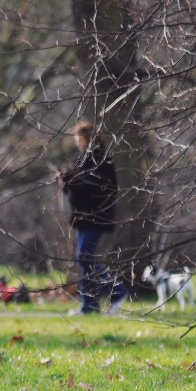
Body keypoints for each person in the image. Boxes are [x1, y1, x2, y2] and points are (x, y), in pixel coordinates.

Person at [59, 120, 123, 313]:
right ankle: (90, 305)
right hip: (82, 216)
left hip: (97, 216)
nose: (77, 143)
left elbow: (98, 187)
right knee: (83, 259)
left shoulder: (101, 158)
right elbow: (77, 184)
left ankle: (117, 290)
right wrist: (66, 182)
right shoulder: (80, 157)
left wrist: (72, 180)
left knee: (84, 257)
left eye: (79, 139)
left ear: (87, 138)